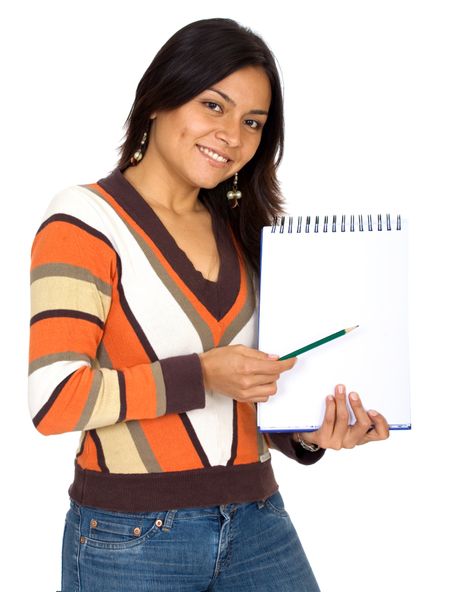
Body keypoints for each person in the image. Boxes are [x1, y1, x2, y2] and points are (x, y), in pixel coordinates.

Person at [28, 17, 389, 592]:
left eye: (252, 122)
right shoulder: (83, 221)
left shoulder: (245, 230)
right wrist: (201, 374)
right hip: (130, 537)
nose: (233, 135)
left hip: (259, 520)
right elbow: (54, 400)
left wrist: (306, 434)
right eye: (213, 106)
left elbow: (249, 394)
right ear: (157, 100)